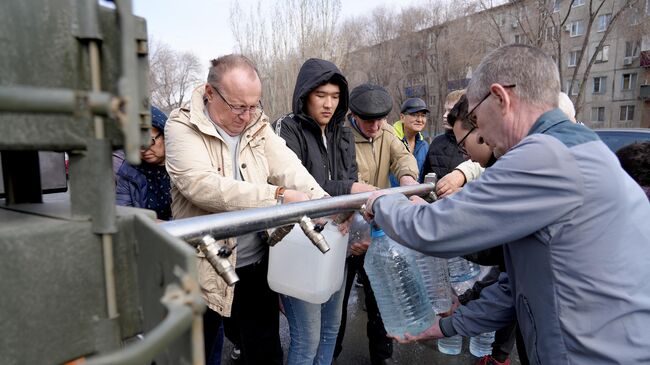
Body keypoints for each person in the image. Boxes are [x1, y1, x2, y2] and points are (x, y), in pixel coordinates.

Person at [364, 44, 650, 364]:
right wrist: (443, 327)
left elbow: (434, 229)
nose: (480, 134)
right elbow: (518, 290)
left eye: (475, 117)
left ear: (500, 98)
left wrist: (381, 202)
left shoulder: (546, 157)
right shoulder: (578, 148)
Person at [164, 54, 328, 365]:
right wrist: (277, 196)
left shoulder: (258, 125)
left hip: (255, 262)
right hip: (202, 267)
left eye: (254, 105)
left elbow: (290, 169)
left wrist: (323, 203)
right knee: (200, 353)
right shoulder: (182, 125)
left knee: (265, 352)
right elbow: (201, 185)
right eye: (239, 106)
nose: (247, 115)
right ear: (210, 93)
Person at [273, 58, 375, 365]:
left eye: (335, 96)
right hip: (299, 243)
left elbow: (349, 176)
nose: (329, 104)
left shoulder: (342, 134)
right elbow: (301, 185)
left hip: (337, 242)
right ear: (304, 94)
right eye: (321, 95)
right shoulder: (287, 129)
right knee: (307, 337)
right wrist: (349, 193)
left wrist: (346, 212)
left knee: (332, 328)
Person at [334, 83, 419, 365]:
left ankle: (382, 357)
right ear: (354, 116)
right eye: (369, 121)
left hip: (374, 227)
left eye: (381, 120)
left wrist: (407, 179)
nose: (376, 126)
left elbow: (403, 157)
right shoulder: (342, 137)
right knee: (336, 302)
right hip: (344, 226)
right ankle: (330, 354)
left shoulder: (385, 134)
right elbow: (345, 184)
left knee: (381, 299)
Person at [113, 106, 172, 221]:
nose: (143, 149)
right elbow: (122, 212)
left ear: (165, 136)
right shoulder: (128, 170)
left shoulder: (182, 165)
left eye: (149, 141)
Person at [421, 89, 467, 180]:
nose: (445, 115)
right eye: (445, 110)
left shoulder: (474, 144)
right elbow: (425, 179)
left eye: (450, 111)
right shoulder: (436, 143)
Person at [389, 97, 430, 186]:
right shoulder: (389, 140)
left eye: (423, 115)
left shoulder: (425, 146)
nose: (419, 120)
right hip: (390, 197)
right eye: (414, 115)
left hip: (415, 197)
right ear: (402, 117)